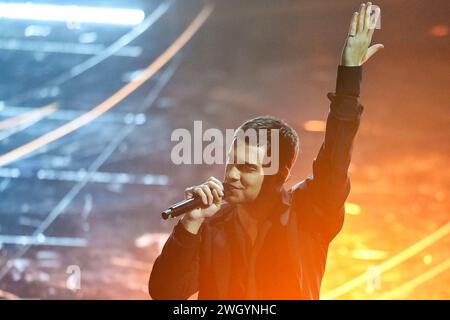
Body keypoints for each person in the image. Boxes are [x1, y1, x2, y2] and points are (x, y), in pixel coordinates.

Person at [149, 2, 383, 299]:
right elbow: (165, 293)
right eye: (232, 163)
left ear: (279, 174)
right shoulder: (211, 225)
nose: (231, 175)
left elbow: (335, 158)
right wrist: (190, 223)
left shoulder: (310, 212)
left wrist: (349, 75)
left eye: (247, 168)